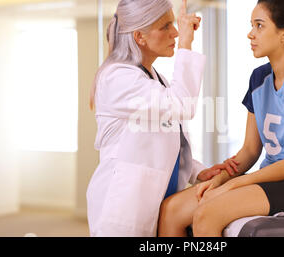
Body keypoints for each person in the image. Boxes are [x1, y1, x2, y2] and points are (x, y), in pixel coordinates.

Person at [158, 0, 284, 237]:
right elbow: (249, 150)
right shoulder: (259, 78)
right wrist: (222, 179)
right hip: (278, 182)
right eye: (252, 25)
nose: (250, 34)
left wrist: (235, 184)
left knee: (208, 214)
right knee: (171, 210)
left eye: (259, 26)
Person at [86, 0, 238, 237]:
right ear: (140, 36)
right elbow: (182, 105)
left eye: (174, 26)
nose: (175, 32)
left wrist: (197, 172)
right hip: (123, 207)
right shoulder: (117, 78)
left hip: (158, 201)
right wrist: (186, 44)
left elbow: (165, 145)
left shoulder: (157, 81)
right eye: (166, 26)